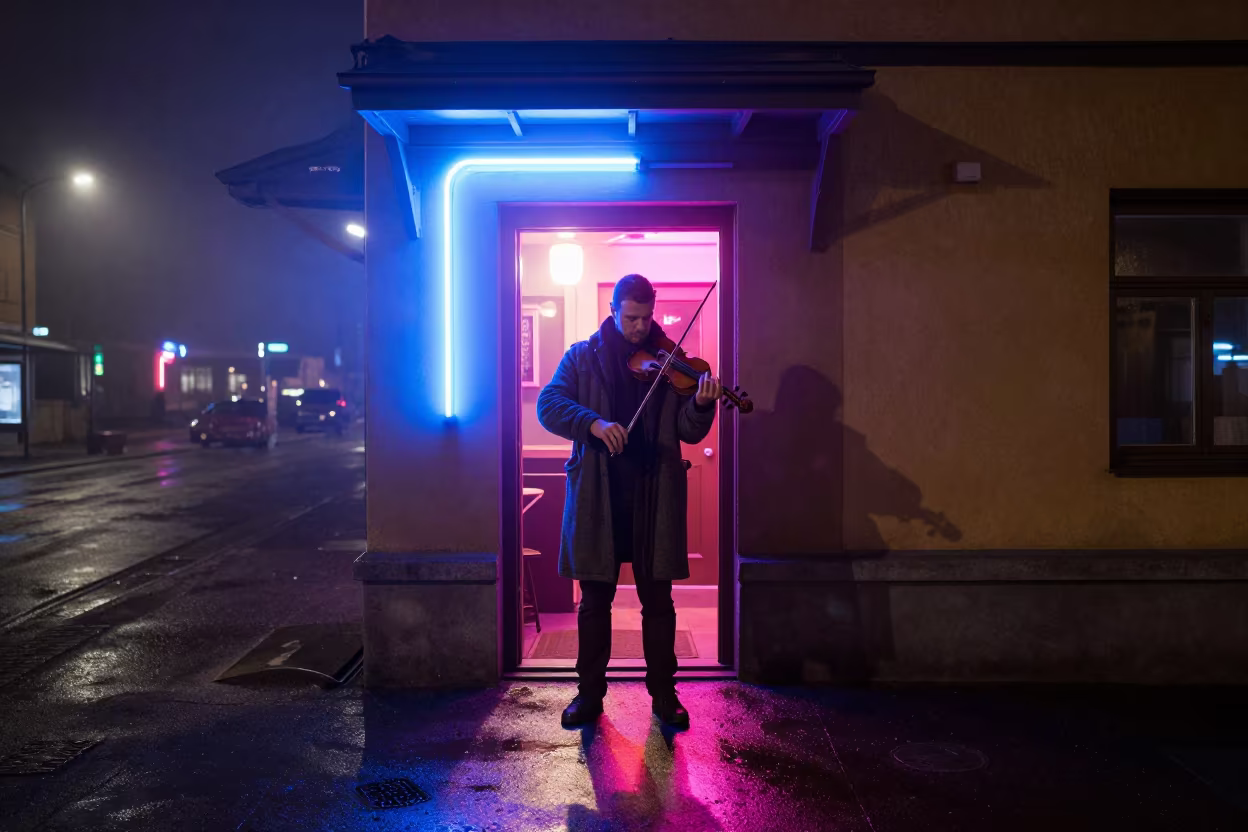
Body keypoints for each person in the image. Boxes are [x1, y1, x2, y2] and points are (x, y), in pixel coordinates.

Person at [537, 274, 721, 729]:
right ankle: (589, 696)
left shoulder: (670, 361)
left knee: (658, 603)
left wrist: (700, 404)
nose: (640, 327)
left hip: (652, 496)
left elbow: (690, 431)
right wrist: (594, 424)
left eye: (646, 317)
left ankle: (664, 696)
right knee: (594, 603)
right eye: (631, 317)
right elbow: (549, 404)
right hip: (599, 498)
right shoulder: (582, 357)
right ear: (616, 310)